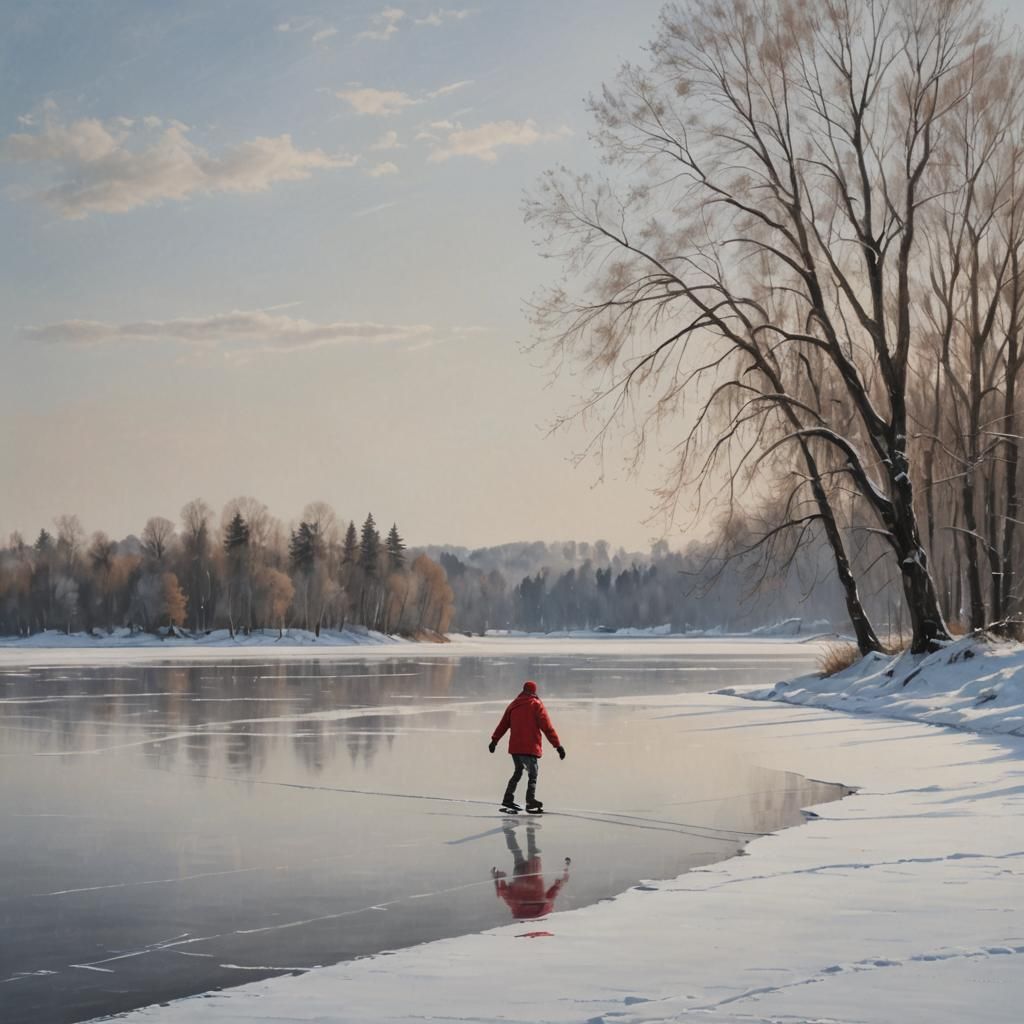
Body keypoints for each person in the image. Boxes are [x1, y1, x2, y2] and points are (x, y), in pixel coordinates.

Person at [488, 679, 565, 812]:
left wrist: (494, 741)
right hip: (529, 747)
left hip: (515, 748)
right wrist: (557, 746)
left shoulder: (513, 705)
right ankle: (530, 801)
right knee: (533, 774)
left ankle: (508, 799)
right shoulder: (536, 705)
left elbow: (503, 725)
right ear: (534, 691)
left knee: (518, 772)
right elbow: (547, 727)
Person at [491, 820, 571, 920]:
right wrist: (501, 881)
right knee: (517, 853)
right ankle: (508, 830)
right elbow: (507, 894)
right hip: (520, 877)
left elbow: (551, 894)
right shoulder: (518, 908)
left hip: (534, 874)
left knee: (531, 852)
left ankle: (530, 829)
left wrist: (559, 884)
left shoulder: (543, 910)